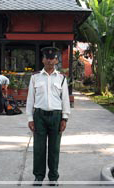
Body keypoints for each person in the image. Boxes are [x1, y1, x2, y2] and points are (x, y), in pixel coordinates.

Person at [26, 47, 71, 186]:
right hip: (39, 116)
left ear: (56, 60)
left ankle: (53, 178)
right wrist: (30, 118)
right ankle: (38, 177)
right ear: (43, 59)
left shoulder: (62, 79)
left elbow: (65, 100)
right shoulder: (35, 77)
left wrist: (64, 118)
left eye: (53, 58)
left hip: (56, 117)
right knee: (39, 148)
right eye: (47, 58)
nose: (50, 61)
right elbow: (30, 99)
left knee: (54, 149)